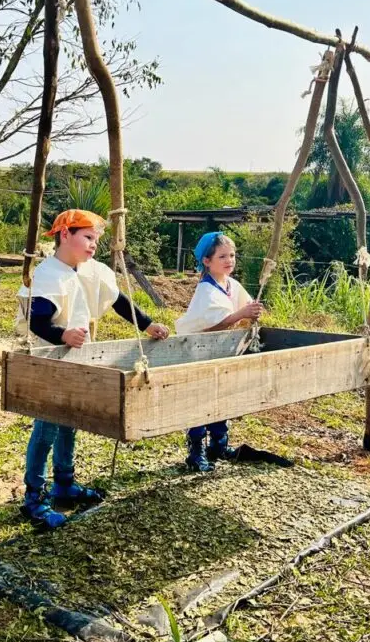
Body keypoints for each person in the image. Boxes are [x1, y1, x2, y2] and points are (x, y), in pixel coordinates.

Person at [15, 209, 170, 529]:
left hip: (77, 359)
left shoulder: (89, 270)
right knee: (47, 426)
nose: (93, 245)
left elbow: (117, 300)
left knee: (72, 419)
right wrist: (63, 335)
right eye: (88, 237)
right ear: (65, 235)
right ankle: (34, 496)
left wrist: (148, 324)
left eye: (96, 240)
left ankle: (64, 483)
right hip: (50, 360)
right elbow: (37, 318)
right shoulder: (48, 273)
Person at [174, 231, 292, 472]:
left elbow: (243, 306)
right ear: (207, 261)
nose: (229, 261)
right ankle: (196, 451)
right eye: (222, 257)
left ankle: (218, 444)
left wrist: (253, 310)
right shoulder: (206, 290)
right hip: (201, 352)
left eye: (232, 256)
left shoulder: (231, 284)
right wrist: (240, 315)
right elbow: (211, 326)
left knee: (221, 397)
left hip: (223, 352)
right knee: (201, 400)